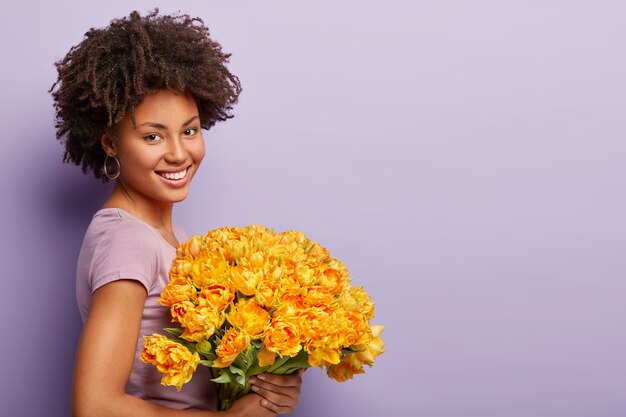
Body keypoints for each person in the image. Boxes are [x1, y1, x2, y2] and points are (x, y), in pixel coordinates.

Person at [51, 9, 303, 417]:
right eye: (153, 135)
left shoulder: (173, 239)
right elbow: (95, 406)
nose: (178, 153)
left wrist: (267, 384)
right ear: (111, 144)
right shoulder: (127, 241)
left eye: (190, 129)